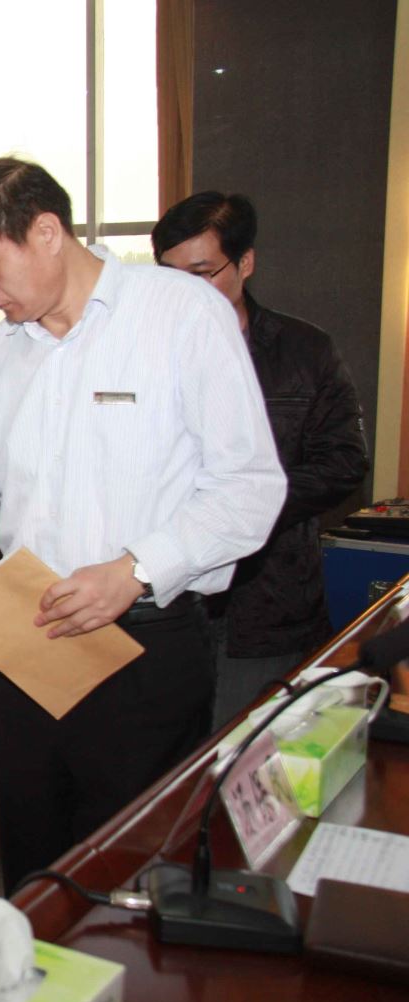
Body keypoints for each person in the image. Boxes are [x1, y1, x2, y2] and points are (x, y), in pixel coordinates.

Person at [0, 158, 286, 890]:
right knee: (35, 865)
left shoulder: (180, 315)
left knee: (131, 876)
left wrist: (135, 569)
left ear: (46, 232)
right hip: (28, 640)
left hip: (145, 645)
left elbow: (249, 488)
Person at [152, 192, 371, 726]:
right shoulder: (142, 353)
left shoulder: (305, 350)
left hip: (270, 600)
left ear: (244, 262)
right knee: (168, 760)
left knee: (251, 752)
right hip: (167, 599)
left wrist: (246, 507)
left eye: (202, 273)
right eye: (170, 276)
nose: (185, 292)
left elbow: (344, 461)